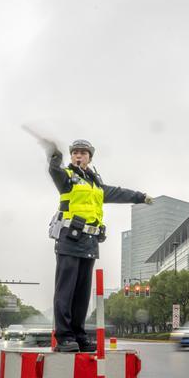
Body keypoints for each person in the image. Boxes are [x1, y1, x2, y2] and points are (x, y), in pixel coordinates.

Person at [48, 139, 152, 352]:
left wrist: (140, 197)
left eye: (83, 153)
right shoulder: (67, 178)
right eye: (75, 152)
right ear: (71, 156)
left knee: (82, 294)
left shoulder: (96, 185)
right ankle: (65, 337)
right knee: (65, 291)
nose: (79, 155)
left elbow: (120, 193)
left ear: (90, 158)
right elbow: (54, 171)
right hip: (69, 239)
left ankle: (79, 335)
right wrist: (55, 159)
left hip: (89, 243)